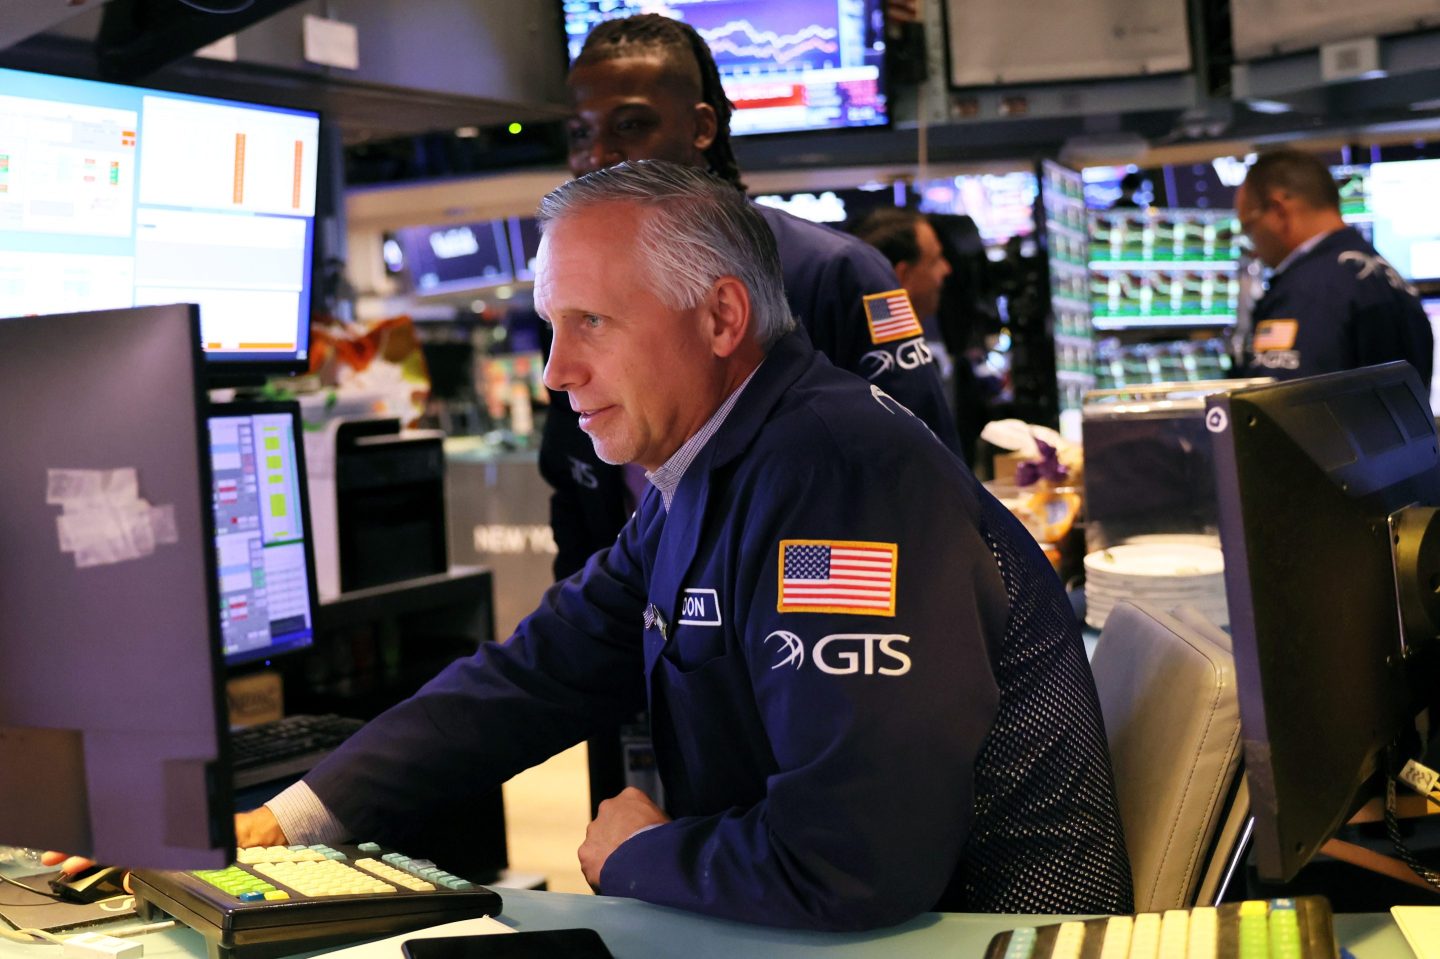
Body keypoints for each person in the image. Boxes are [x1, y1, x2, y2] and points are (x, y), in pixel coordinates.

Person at [233, 160, 1132, 929]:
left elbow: (854, 858)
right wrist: (294, 816)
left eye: (592, 322)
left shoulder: (833, 480)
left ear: (720, 319)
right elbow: (541, 670)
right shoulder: (716, 465)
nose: (555, 371)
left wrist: (643, 852)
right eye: (552, 326)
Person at [542, 12, 961, 582]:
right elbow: (578, 491)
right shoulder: (573, 283)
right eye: (581, 133)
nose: (598, 155)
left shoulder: (836, 271)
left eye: (631, 126)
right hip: (640, 625)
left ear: (702, 127)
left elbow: (922, 477)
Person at [1236, 149, 1433, 387]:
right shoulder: (1385, 273)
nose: (1253, 246)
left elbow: (1281, 406)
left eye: (1249, 226)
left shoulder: (1309, 289)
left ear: (1278, 211)